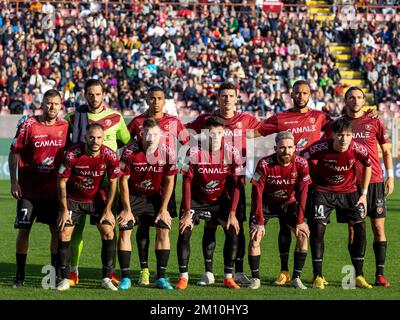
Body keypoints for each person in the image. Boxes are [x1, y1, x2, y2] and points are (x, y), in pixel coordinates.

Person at [252, 80, 331, 286]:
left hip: (314, 179)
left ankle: (317, 273)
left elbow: (342, 128)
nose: (301, 96)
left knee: (314, 227)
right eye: (298, 92)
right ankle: (285, 272)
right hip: (288, 181)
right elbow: (256, 132)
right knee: (285, 227)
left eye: (305, 93)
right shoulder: (281, 118)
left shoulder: (319, 117)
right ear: (291, 94)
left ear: (310, 95)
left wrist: (368, 115)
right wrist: (229, 132)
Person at [186, 82, 263, 286]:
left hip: (235, 181)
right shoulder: (206, 120)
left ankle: (237, 272)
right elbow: (184, 132)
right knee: (210, 226)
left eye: (231, 95)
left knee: (236, 226)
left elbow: (264, 130)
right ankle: (209, 272)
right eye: (223, 96)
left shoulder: (246, 120)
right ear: (218, 98)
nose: (227, 99)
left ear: (237, 97)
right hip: (211, 179)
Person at [323, 86, 394, 287]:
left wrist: (390, 177)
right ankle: (357, 274)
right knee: (354, 229)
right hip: (350, 185)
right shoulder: (338, 125)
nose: (355, 101)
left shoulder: (374, 120)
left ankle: (380, 274)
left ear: (364, 100)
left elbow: (386, 151)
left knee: (378, 227)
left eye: (359, 97)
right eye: (351, 97)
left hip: (375, 182)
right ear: (345, 101)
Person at [64, 79, 131, 287]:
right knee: (75, 228)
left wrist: (107, 156)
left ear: (104, 95)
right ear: (85, 95)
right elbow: (67, 144)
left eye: (98, 94)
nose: (94, 98)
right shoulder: (73, 116)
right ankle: (73, 271)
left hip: (105, 181)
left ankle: (108, 273)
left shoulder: (116, 117)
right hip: (80, 178)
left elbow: (126, 140)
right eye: (90, 94)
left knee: (108, 225)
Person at [126, 85, 189, 286]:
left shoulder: (174, 122)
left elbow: (187, 143)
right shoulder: (137, 122)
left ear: (164, 100)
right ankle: (144, 271)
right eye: (152, 98)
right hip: (141, 181)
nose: (155, 102)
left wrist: (184, 163)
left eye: (159, 98)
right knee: (143, 228)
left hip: (163, 184)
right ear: (147, 99)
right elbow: (127, 145)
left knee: (163, 227)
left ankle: (161, 275)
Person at [301, 117, 372, 289]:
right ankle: (317, 275)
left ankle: (359, 275)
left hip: (348, 192)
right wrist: (308, 179)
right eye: (340, 135)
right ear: (333, 135)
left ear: (352, 136)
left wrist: (363, 194)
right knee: (318, 228)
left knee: (360, 227)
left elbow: (368, 164)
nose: (344, 139)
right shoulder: (321, 146)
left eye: (347, 135)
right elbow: (301, 159)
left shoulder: (358, 149)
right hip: (323, 192)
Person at [8, 89, 69, 288]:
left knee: (55, 232)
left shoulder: (65, 126)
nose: (52, 107)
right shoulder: (28, 125)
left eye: (56, 104)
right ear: (42, 104)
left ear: (61, 106)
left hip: (53, 192)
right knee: (24, 231)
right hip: (29, 191)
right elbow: (13, 153)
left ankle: (52, 276)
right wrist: (14, 182)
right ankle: (19, 276)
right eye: (48, 103)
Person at [176, 116, 243, 290]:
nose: (215, 137)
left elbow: (237, 184)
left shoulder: (232, 153)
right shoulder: (193, 152)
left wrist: (233, 213)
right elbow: (187, 182)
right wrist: (186, 211)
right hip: (197, 200)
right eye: (211, 133)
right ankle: (183, 277)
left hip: (220, 201)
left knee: (232, 230)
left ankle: (228, 277)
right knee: (184, 231)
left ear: (224, 133)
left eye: (219, 133)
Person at [56, 123, 121, 291]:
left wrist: (108, 210)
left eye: (99, 138)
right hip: (73, 199)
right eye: (91, 137)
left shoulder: (110, 155)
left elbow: (114, 182)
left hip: (96, 200)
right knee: (64, 233)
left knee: (108, 232)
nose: (95, 141)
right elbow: (61, 181)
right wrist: (63, 210)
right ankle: (64, 278)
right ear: (85, 138)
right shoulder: (72, 154)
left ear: (103, 138)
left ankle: (106, 278)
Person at [117, 118, 177, 290]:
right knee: (125, 228)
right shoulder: (129, 152)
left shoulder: (168, 153)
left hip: (156, 196)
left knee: (164, 228)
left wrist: (164, 209)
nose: (151, 138)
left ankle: (161, 277)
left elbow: (170, 181)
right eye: (148, 134)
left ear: (161, 136)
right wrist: (127, 210)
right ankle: (126, 278)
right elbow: (123, 181)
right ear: (141, 134)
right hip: (133, 195)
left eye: (155, 134)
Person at [249, 131, 311, 290]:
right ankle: (255, 279)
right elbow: (257, 193)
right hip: (266, 204)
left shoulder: (302, 163)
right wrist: (260, 221)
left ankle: (296, 278)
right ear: (275, 148)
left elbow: (304, 192)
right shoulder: (264, 164)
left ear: (295, 148)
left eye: (290, 147)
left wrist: (299, 221)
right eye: (282, 148)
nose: (286, 151)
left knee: (303, 234)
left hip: (288, 203)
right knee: (255, 236)